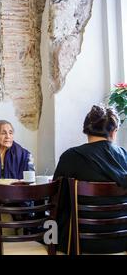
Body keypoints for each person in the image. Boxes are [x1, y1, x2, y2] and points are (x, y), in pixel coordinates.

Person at [53, 105, 127, 254]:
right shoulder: (124, 156)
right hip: (121, 241)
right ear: (114, 132)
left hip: (78, 242)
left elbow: (56, 200)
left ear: (86, 128)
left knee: (49, 224)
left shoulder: (71, 156)